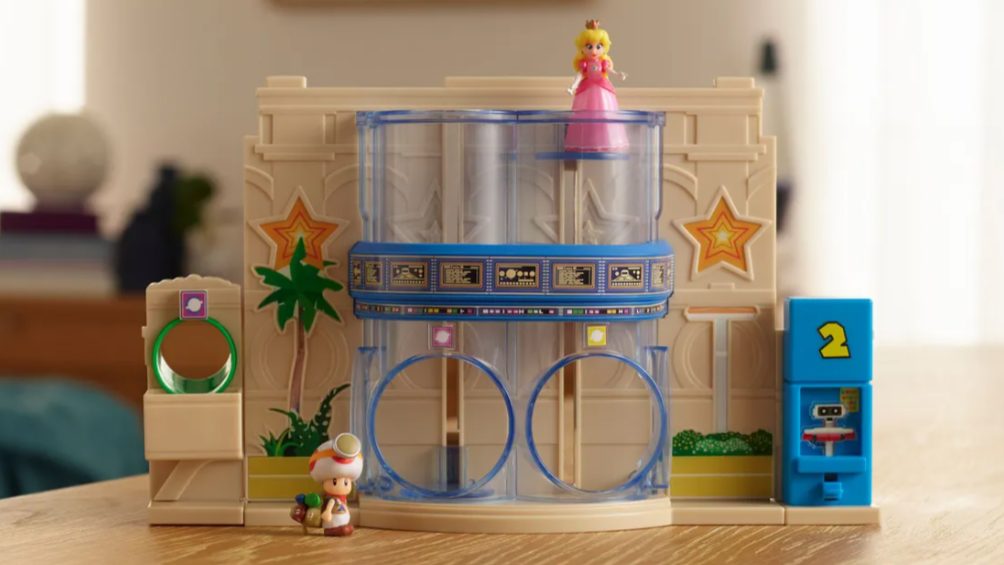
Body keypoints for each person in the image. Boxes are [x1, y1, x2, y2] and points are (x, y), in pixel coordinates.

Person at [564, 20, 630, 152]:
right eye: (589, 46)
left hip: (602, 88)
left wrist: (618, 75)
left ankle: (606, 140)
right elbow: (579, 75)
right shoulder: (583, 64)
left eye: (598, 46)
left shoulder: (604, 63)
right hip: (586, 89)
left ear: (604, 48)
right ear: (582, 48)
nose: (594, 50)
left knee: (605, 114)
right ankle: (587, 141)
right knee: (585, 115)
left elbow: (609, 71)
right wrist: (573, 86)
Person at [308, 433, 364, 537]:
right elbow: (330, 506)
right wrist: (327, 512)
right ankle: (332, 529)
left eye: (346, 482)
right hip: (333, 518)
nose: (342, 485)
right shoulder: (333, 500)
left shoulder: (342, 499)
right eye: (335, 481)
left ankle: (341, 527)